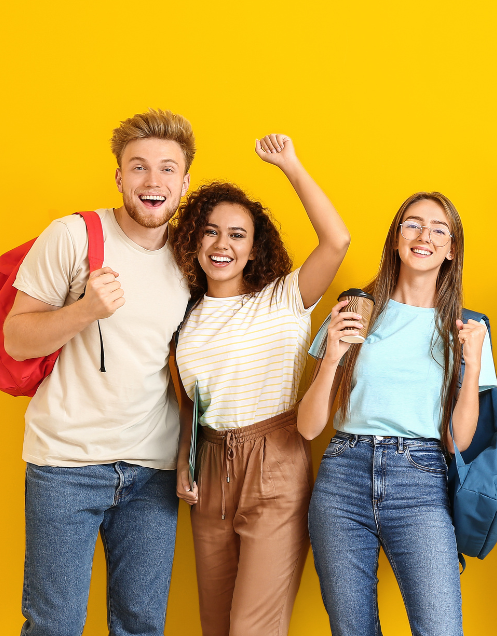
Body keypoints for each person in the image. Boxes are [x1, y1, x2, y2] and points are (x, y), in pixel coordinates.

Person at [3, 109, 195, 635]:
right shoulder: (72, 236)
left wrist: (183, 458)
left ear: (184, 181)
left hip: (150, 472)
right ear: (118, 176)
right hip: (66, 464)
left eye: (166, 169)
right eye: (138, 167)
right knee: (55, 625)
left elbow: (184, 371)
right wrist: (85, 309)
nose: (152, 182)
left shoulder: (189, 256)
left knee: (140, 626)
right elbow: (15, 339)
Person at [171, 134, 350, 635]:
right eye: (210, 232)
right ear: (194, 240)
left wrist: (290, 165)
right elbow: (192, 402)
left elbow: (336, 241)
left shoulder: (284, 299)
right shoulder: (184, 317)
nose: (222, 245)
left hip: (275, 465)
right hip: (207, 473)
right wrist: (182, 463)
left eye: (236, 235)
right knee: (216, 625)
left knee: (253, 629)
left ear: (253, 249)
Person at [296, 191, 496, 636]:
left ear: (451, 250)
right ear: (395, 239)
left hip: (420, 480)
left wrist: (474, 364)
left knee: (440, 628)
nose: (424, 235)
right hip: (342, 476)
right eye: (413, 224)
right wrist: (331, 356)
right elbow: (308, 427)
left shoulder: (466, 328)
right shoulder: (355, 310)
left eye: (439, 229)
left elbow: (457, 441)